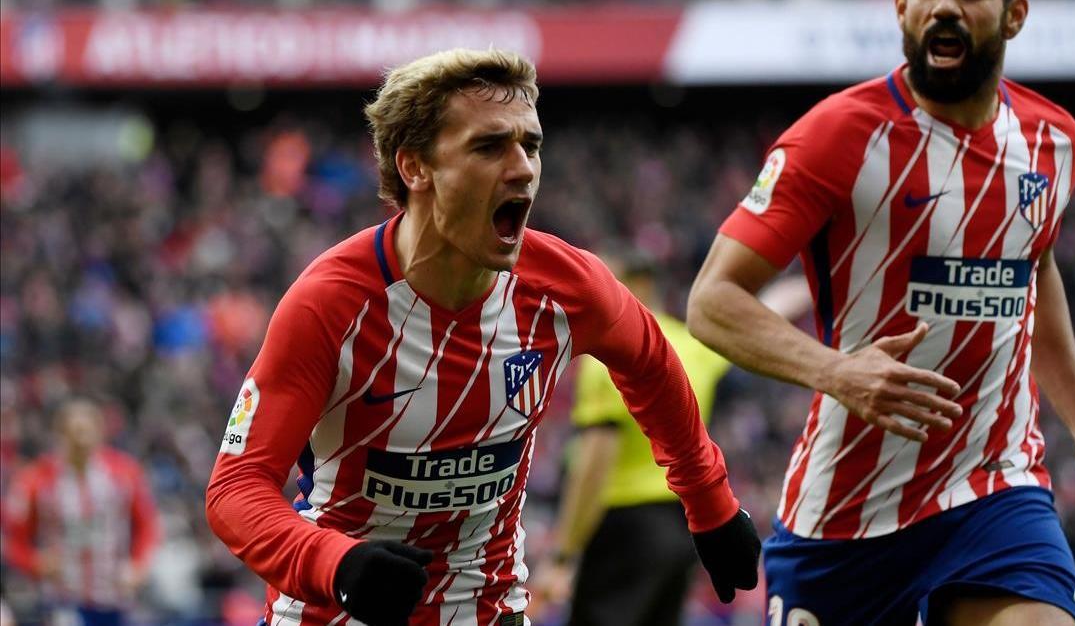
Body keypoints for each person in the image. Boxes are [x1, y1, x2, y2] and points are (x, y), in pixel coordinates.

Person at [204, 48, 760, 626]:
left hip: (488, 610)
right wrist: (336, 563)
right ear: (416, 168)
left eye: (531, 146)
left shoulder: (569, 285)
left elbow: (651, 365)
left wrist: (710, 504)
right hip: (333, 612)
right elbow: (236, 488)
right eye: (489, 146)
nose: (522, 168)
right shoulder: (330, 303)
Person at [686, 0, 1075, 625]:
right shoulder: (838, 135)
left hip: (995, 493)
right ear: (900, 6)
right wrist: (839, 371)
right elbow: (711, 300)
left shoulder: (1054, 142)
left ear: (1014, 16)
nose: (945, 5)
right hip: (847, 516)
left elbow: (1034, 267)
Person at [536, 258, 810, 626]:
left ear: (634, 285)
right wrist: (812, 284)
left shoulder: (607, 356)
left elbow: (594, 460)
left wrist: (563, 555)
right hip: (682, 527)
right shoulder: (687, 346)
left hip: (624, 528)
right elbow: (770, 306)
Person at [3, 399, 160, 626]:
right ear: (60, 435)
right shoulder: (35, 479)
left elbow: (148, 525)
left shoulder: (125, 472)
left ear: (100, 432)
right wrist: (35, 563)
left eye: (86, 432)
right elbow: (14, 539)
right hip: (63, 598)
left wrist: (138, 566)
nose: (81, 440)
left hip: (114, 595)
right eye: (73, 433)